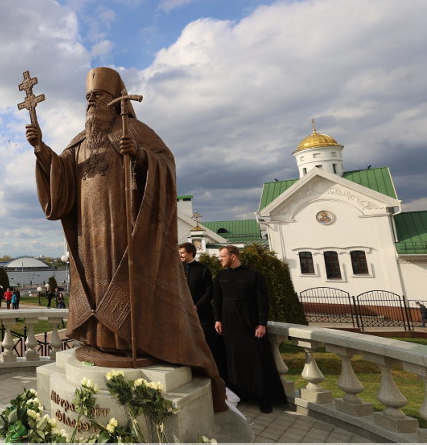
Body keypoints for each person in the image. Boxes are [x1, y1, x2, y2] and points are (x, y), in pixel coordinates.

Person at [28, 66, 225, 411]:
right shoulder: (79, 142)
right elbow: (62, 178)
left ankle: (129, 342)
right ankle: (97, 339)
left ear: (116, 98)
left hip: (125, 229)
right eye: (88, 97)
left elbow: (166, 164)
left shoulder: (135, 130)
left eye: (98, 96)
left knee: (124, 277)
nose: (91, 103)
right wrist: (42, 150)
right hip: (89, 230)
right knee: (94, 282)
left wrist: (140, 155)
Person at [213, 245, 286, 413]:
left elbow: (263, 300)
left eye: (222, 256)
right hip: (229, 327)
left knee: (257, 362)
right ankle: (242, 394)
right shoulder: (221, 276)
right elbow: (217, 300)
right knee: (234, 361)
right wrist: (217, 319)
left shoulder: (253, 275)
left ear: (233, 256)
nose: (220, 259)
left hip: (250, 326)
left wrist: (262, 323)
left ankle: (264, 398)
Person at [179, 242, 226, 382]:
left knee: (209, 342)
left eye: (182, 252)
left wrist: (196, 306)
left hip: (202, 313)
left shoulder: (202, 269)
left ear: (190, 253)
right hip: (183, 313)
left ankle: (215, 373)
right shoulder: (176, 269)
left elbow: (209, 291)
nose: (179, 255)